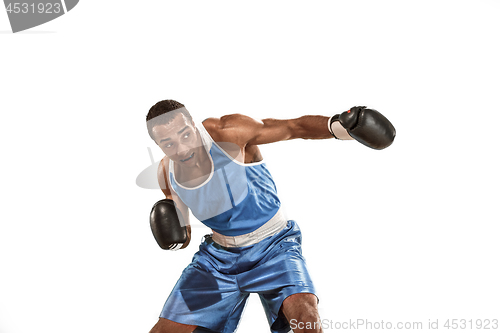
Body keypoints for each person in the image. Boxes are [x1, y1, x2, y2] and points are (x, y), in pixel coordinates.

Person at [145, 100, 395, 333]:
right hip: (217, 260)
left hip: (274, 246)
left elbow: (292, 128)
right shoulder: (167, 173)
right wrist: (175, 236)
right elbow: (184, 231)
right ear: (159, 146)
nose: (182, 148)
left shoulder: (227, 133)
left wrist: (338, 126)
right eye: (168, 143)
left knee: (306, 321)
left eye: (186, 135)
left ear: (194, 125)